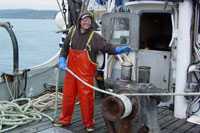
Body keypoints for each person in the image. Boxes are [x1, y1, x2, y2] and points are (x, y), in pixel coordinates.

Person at [56, 11, 132, 132]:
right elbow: (64, 49)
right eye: (84, 19)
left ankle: (89, 123)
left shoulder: (95, 37)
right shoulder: (71, 32)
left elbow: (107, 47)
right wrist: (62, 59)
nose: (86, 22)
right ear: (79, 21)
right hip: (70, 73)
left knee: (87, 100)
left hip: (85, 76)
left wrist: (117, 49)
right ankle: (64, 119)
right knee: (67, 97)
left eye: (89, 20)